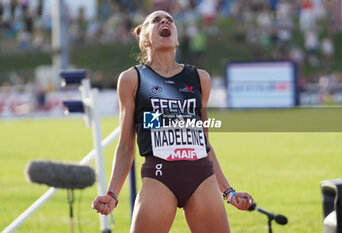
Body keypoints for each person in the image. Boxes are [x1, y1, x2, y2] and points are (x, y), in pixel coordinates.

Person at [92, 10, 254, 233]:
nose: (164, 21)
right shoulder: (132, 79)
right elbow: (126, 145)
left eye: (169, 20)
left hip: (201, 176)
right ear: (145, 38)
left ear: (176, 38)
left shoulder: (200, 78)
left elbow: (204, 143)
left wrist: (229, 191)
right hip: (159, 176)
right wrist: (112, 194)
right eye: (156, 20)